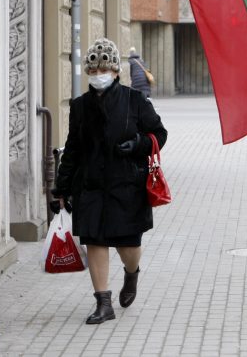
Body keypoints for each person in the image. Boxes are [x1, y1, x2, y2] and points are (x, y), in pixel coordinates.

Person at [54, 38, 168, 324]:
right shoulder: (80, 106)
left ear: (116, 70)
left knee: (128, 246)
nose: (98, 75)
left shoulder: (135, 101)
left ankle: (132, 274)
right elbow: (74, 148)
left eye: (103, 69)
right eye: (92, 71)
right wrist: (62, 187)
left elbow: (160, 134)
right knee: (95, 241)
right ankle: (103, 303)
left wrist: (139, 145)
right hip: (90, 185)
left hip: (126, 185)